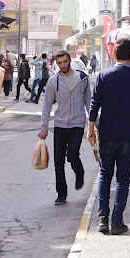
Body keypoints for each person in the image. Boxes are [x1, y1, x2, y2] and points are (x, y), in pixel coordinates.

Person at [87, 37, 130, 235]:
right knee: (123, 178)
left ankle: (102, 218)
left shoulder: (103, 76)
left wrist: (90, 131)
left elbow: (94, 105)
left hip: (106, 133)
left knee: (105, 174)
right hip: (128, 134)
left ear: (113, 54)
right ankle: (117, 221)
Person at [38, 51, 91, 205]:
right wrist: (44, 127)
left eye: (65, 62)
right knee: (58, 162)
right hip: (60, 125)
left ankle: (79, 172)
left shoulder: (82, 78)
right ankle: (61, 194)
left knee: (73, 155)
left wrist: (94, 124)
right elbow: (47, 105)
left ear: (70, 61)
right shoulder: (53, 81)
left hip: (77, 124)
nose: (63, 65)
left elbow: (89, 102)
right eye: (60, 63)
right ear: (56, 63)